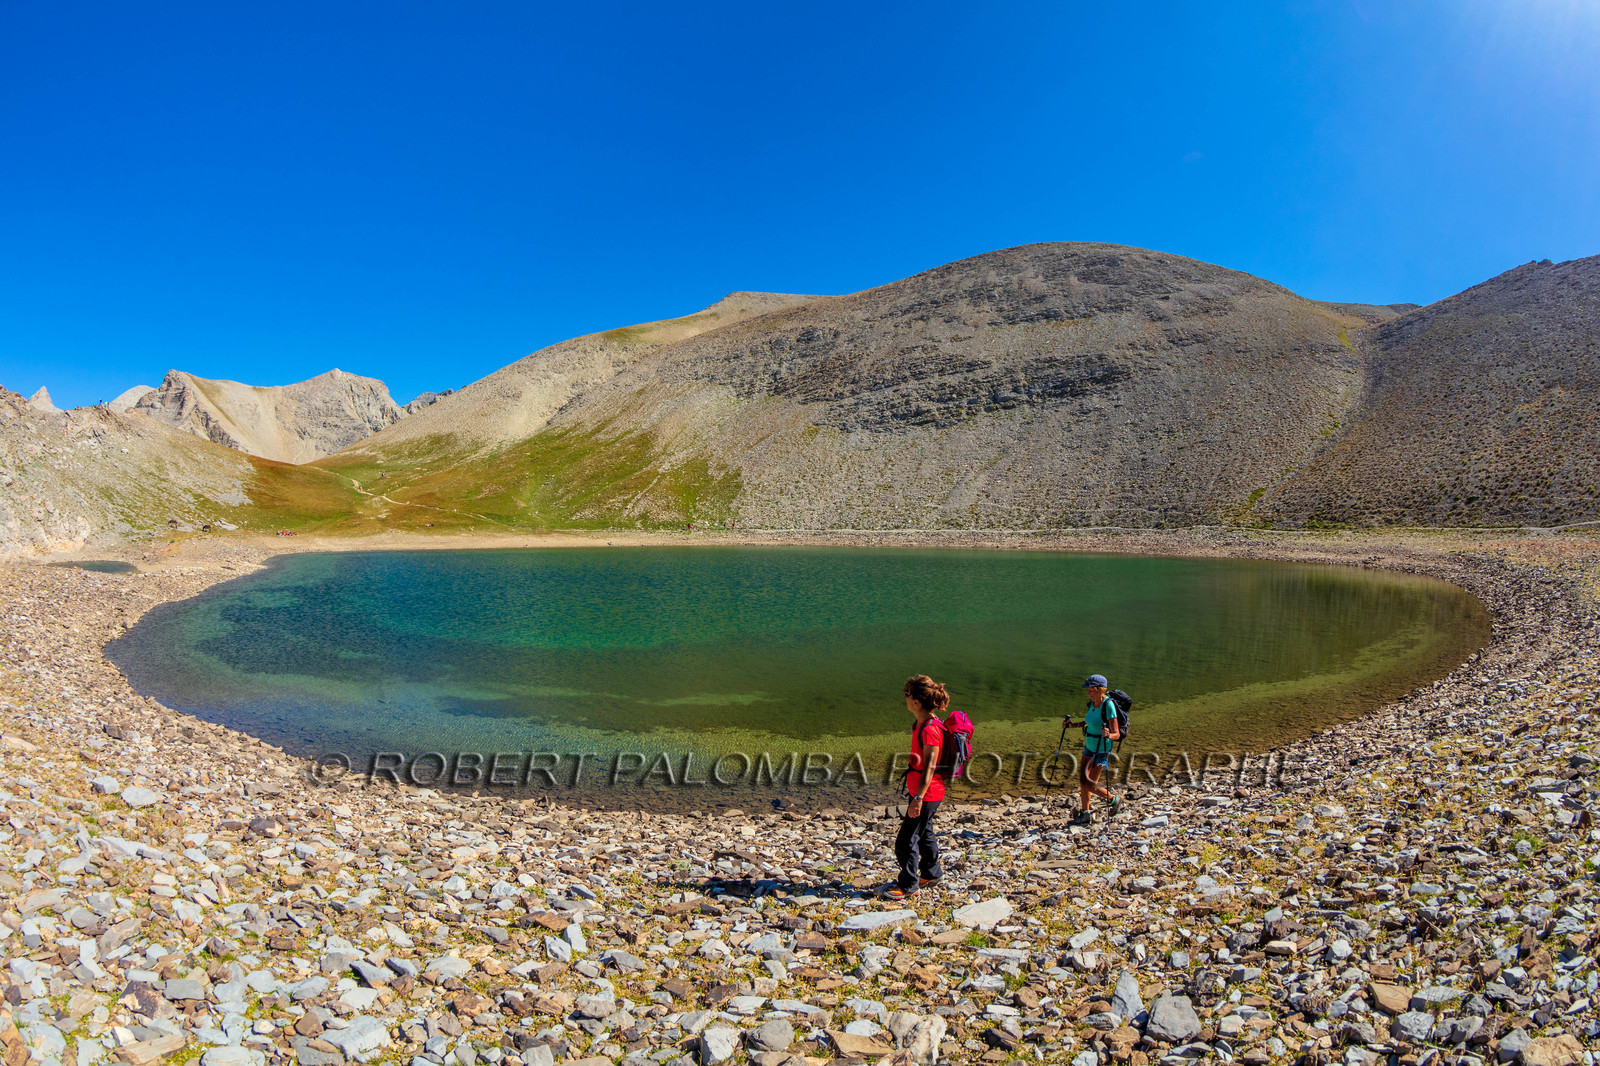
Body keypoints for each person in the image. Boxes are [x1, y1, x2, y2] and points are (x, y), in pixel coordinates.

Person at [887, 674, 948, 900]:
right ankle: (932, 873)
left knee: (905, 841)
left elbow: (930, 767)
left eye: (907, 694)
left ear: (916, 702)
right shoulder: (921, 723)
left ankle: (908, 885)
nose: (904, 698)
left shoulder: (930, 729)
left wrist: (918, 798)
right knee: (925, 833)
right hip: (925, 792)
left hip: (928, 794)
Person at [1066, 673, 1122, 824]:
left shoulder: (1108, 705)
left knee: (1090, 784)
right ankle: (1086, 814)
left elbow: (1117, 734)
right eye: (1088, 689)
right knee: (1083, 781)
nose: (1088, 692)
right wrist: (1072, 725)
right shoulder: (1092, 703)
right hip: (1088, 747)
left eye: (1090, 689)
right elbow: (1088, 722)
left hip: (1102, 750)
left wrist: (1109, 735)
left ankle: (1113, 799)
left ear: (1099, 689)